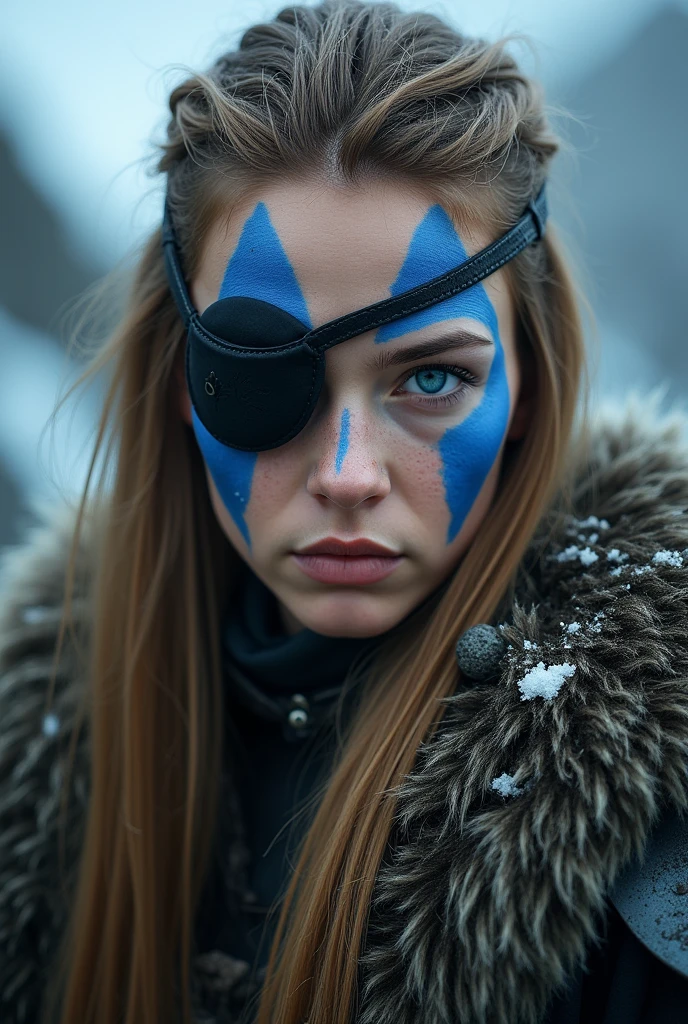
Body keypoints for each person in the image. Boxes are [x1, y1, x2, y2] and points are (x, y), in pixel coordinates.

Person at [1, 1, 687, 1022]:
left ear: (526, 393)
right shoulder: (31, 786)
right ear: (185, 384)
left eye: (431, 381)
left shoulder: (650, 855)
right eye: (263, 380)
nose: (349, 474)